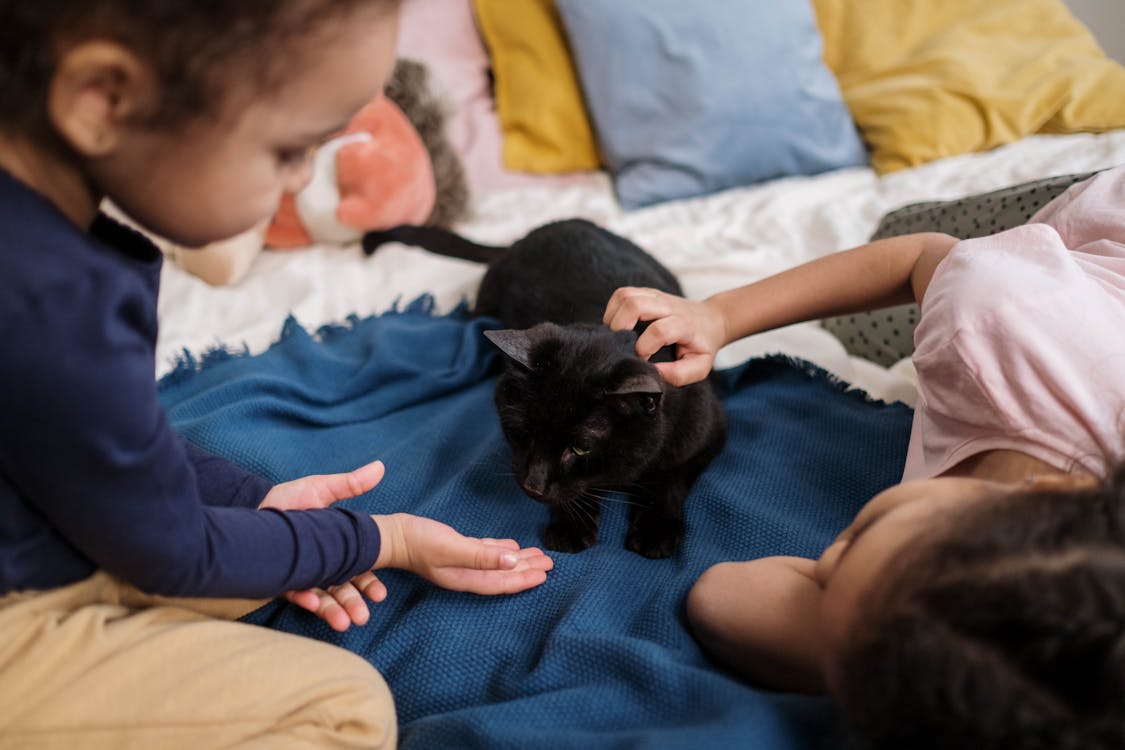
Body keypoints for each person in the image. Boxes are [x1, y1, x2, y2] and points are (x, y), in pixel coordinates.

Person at [0, 2, 553, 748]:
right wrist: (383, 540)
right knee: (344, 707)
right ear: (102, 98)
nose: (297, 183)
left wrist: (252, 500)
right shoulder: (55, 294)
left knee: (251, 564)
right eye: (289, 151)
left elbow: (82, 433)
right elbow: (174, 552)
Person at [604, 164, 1125, 748]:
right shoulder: (990, 323)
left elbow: (720, 596)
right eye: (861, 533)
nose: (822, 565)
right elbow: (918, 258)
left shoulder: (1017, 611)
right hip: (1087, 233)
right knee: (920, 232)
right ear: (1051, 496)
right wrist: (721, 315)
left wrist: (847, 653)